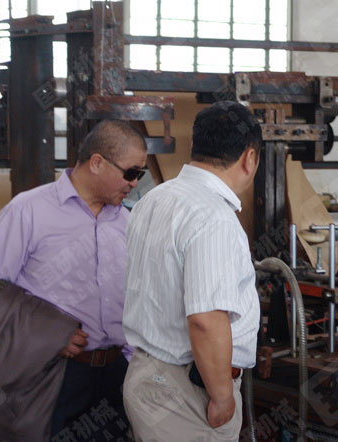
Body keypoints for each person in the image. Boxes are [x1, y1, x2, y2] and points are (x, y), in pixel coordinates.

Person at [0, 119, 148, 441]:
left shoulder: (127, 222)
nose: (135, 183)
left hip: (116, 374)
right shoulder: (28, 211)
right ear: (97, 162)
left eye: (141, 174)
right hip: (51, 373)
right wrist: (50, 334)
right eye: (131, 173)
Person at [123, 100, 262, 442]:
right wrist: (222, 395)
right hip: (188, 389)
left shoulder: (153, 200)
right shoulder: (213, 216)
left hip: (149, 375)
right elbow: (205, 319)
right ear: (250, 158)